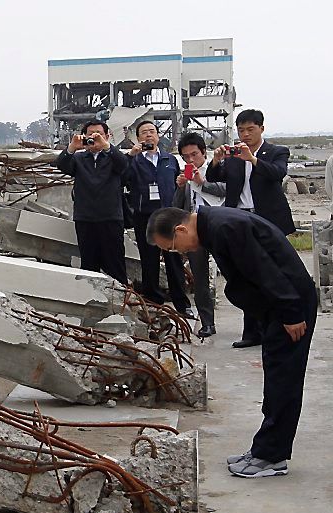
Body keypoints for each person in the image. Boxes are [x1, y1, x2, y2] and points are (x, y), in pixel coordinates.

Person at [146, 206, 316, 478]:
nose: (181, 253)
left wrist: (291, 313)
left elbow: (265, 270)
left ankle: (271, 456)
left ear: (180, 229)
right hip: (280, 306)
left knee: (283, 381)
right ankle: (263, 448)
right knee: (275, 377)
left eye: (175, 248)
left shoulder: (224, 227)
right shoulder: (214, 226)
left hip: (290, 305)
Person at [206, 109, 293, 348]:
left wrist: (253, 160)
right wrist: (216, 160)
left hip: (268, 220)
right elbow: (214, 177)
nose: (245, 135)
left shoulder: (276, 151)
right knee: (246, 276)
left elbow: (277, 173)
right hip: (240, 219)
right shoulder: (234, 156)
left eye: (250, 130)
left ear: (261, 129)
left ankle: (276, 328)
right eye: (241, 130)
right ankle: (251, 332)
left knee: (273, 275)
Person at [125, 120, 195, 317]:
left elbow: (177, 184)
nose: (149, 135)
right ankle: (153, 303)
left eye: (152, 131)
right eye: (144, 132)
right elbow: (122, 177)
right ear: (137, 138)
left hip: (169, 217)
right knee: (149, 260)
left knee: (174, 260)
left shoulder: (169, 159)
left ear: (158, 136)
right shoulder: (134, 160)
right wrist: (132, 156)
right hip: (144, 215)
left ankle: (182, 304)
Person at [54, 120, 129, 285]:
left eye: (99, 134)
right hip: (85, 218)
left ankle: (121, 300)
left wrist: (107, 146)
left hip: (110, 218)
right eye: (90, 135)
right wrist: (72, 148)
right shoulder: (80, 158)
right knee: (89, 265)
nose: (94, 138)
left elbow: (124, 165)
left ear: (107, 136)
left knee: (115, 263)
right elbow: (62, 165)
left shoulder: (113, 157)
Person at [173, 133, 226, 338]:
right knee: (200, 279)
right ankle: (207, 323)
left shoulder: (216, 169)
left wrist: (201, 182)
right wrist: (180, 186)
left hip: (217, 225)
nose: (190, 160)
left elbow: (225, 190)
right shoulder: (184, 174)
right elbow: (176, 205)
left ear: (203, 152)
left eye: (194, 154)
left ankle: (252, 321)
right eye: (186, 156)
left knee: (234, 272)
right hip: (194, 229)